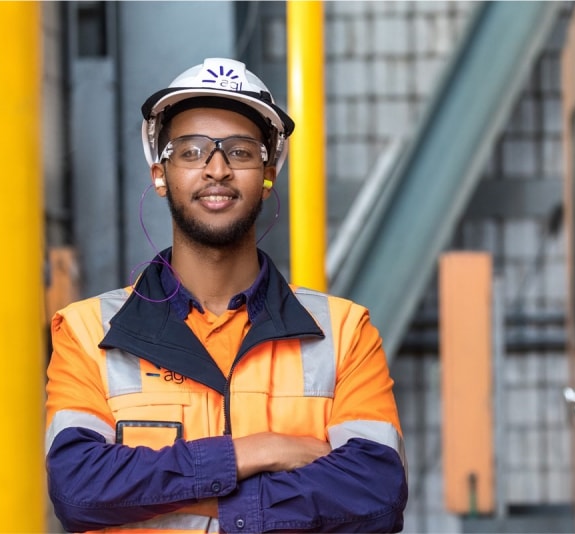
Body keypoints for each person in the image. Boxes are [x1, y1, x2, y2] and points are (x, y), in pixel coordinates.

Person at [45, 57, 408, 533]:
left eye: (239, 152)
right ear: (160, 173)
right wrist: (260, 451)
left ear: (268, 172)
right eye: (191, 152)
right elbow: (78, 490)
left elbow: (375, 494)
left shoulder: (342, 332)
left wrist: (178, 497)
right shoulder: (89, 332)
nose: (216, 169)